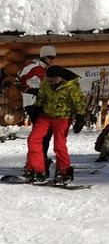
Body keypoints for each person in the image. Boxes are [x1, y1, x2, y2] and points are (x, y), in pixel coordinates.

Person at [23, 66, 85, 184]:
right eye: (48, 79)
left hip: (62, 117)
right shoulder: (47, 81)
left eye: (52, 80)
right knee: (33, 139)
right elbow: (41, 96)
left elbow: (78, 101)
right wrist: (36, 107)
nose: (49, 82)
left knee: (59, 145)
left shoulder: (71, 85)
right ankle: (37, 170)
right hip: (45, 115)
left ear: (59, 78)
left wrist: (80, 117)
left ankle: (63, 171)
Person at [19, 45, 57, 173]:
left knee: (45, 133)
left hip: (40, 103)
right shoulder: (33, 67)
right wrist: (33, 87)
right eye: (49, 57)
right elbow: (21, 79)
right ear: (43, 56)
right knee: (41, 133)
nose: (52, 60)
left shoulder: (45, 69)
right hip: (32, 103)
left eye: (54, 57)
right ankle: (36, 162)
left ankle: (41, 159)